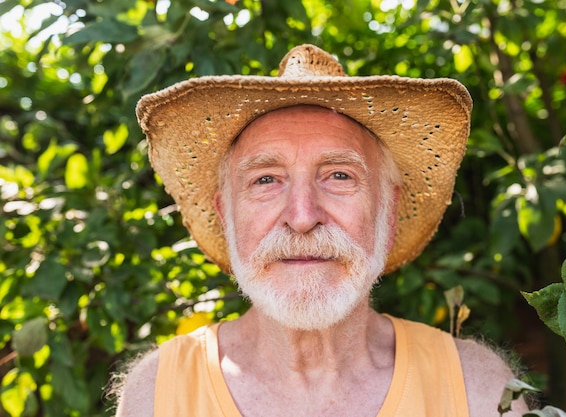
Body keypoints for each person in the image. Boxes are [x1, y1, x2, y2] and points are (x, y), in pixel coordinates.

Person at [114, 44, 529, 416]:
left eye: (338, 175)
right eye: (265, 179)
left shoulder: (479, 389)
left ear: (388, 210)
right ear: (227, 217)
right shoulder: (155, 395)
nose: (301, 216)